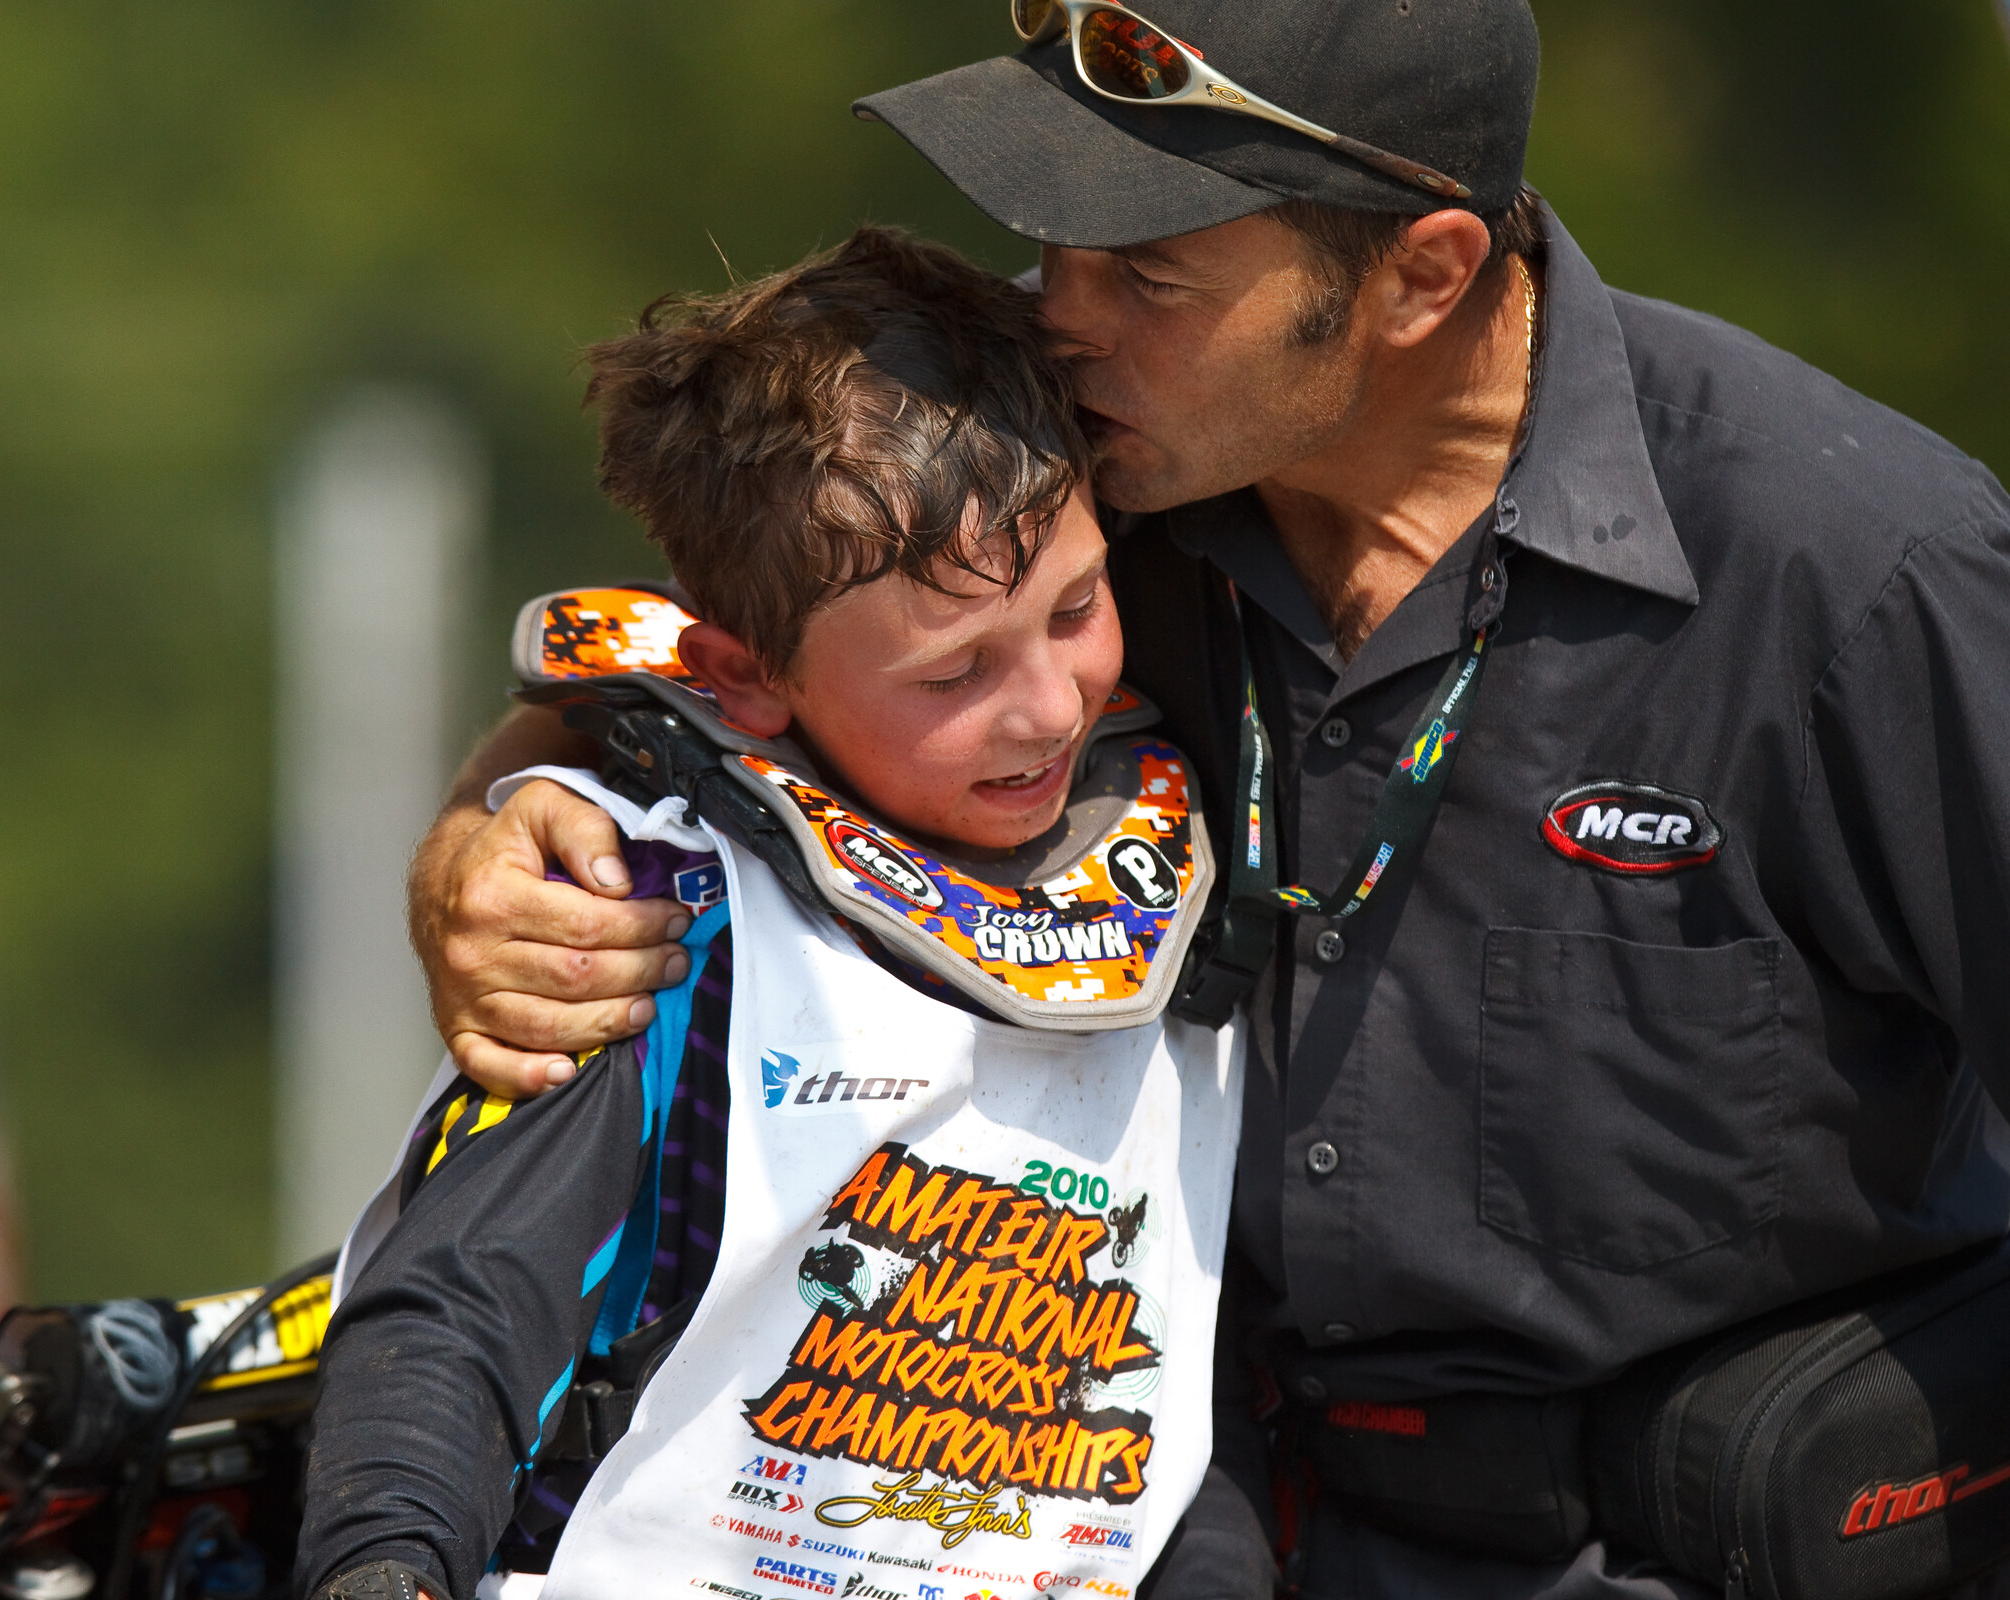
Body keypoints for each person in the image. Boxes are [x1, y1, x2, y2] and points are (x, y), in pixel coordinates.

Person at [406, 1, 2010, 1596]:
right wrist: (482, 851)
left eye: (1146, 270)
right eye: (1058, 239)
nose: (1060, 314)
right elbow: (697, 675)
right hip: (1209, 1535)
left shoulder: (1861, 578)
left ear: (1423, 276)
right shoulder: (1066, 468)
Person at [302, 228, 1245, 1600]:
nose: (1047, 705)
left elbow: (1176, 1434)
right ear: (745, 682)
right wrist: (382, 1563)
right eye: (951, 675)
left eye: (1078, 609)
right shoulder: (658, 906)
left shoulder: (1194, 875)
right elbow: (460, 1308)